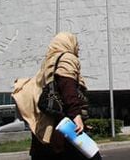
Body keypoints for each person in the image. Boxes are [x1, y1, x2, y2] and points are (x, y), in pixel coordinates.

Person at [15, 32, 101, 160]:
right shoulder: (67, 58)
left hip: (44, 134)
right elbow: (67, 87)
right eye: (76, 43)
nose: (78, 48)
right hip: (63, 135)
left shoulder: (46, 65)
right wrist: (76, 117)